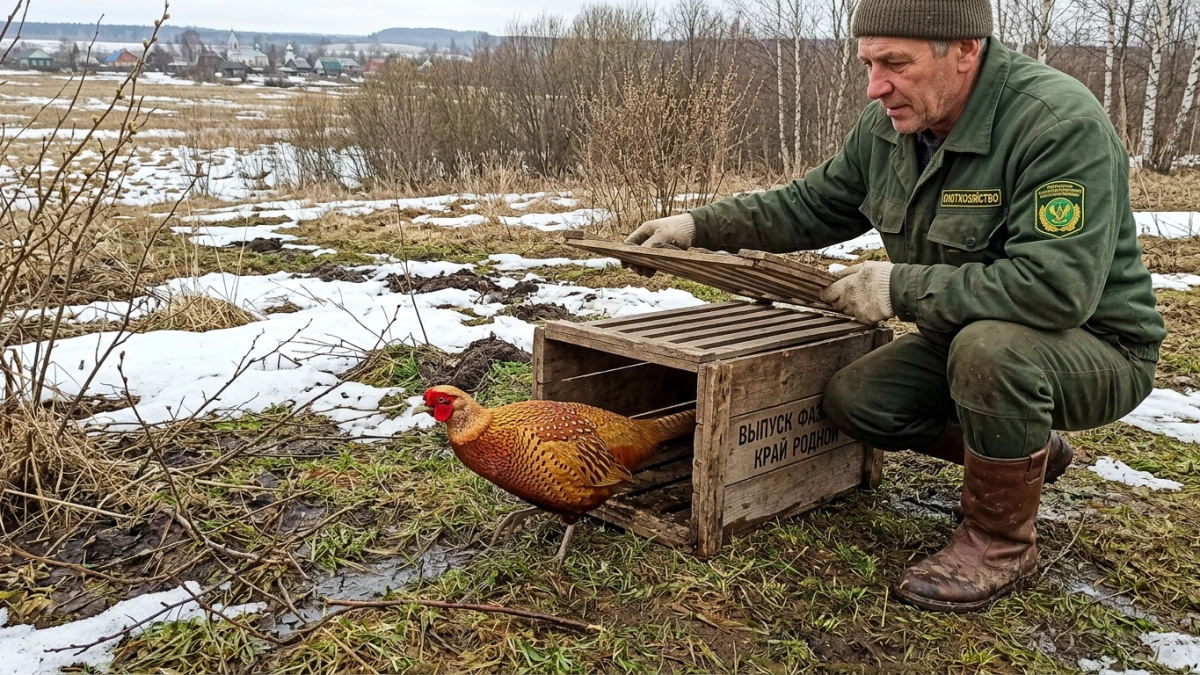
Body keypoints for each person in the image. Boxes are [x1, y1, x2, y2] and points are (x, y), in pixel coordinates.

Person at [624, 0, 1165, 612]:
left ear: (966, 51)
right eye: (869, 62)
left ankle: (999, 543)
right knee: (858, 401)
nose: (876, 85)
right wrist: (698, 225)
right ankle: (1025, 449)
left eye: (896, 63)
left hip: (1094, 346)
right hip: (962, 335)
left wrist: (896, 288)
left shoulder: (1054, 124)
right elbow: (812, 203)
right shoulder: (892, 124)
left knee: (993, 351)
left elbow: (1055, 289)